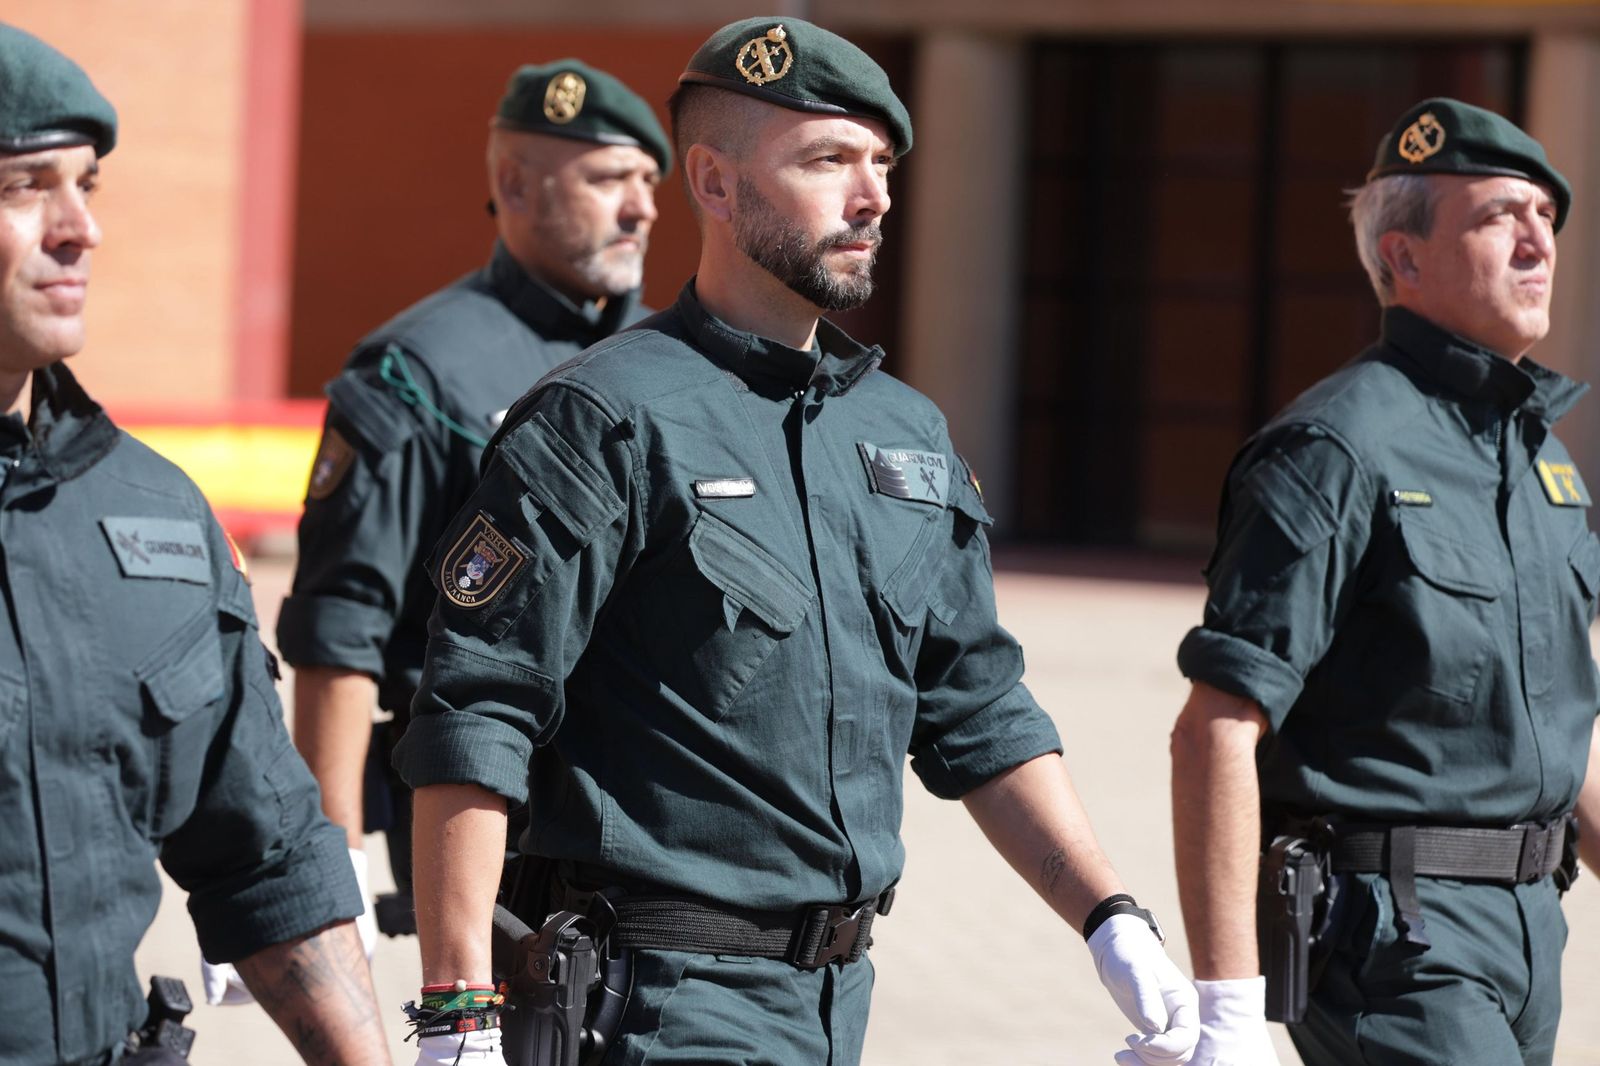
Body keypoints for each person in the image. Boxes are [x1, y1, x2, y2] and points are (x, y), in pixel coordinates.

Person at [395, 16, 1198, 1066]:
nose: (872, 198)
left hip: (834, 1003)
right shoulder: (605, 417)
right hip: (650, 1005)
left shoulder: (904, 434)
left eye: (880, 165)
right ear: (715, 185)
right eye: (827, 161)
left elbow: (978, 709)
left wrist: (1109, 916)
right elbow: (476, 705)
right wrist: (458, 1012)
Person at [1170, 97, 1600, 1066]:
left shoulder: (1536, 459)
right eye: (1498, 217)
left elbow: (1556, 733)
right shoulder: (1334, 448)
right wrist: (1226, 1010)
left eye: (1545, 218)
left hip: (1530, 926)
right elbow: (1214, 730)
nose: (1538, 243)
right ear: (1400, 259)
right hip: (1394, 935)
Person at [0, 21, 389, 1065]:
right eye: (26, 185)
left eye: (88, 184)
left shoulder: (154, 515)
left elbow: (262, 854)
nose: (81, 227)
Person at [259, 59, 669, 996]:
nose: (642, 208)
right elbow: (340, 627)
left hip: (645, 826)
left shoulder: (665, 360)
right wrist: (335, 860)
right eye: (610, 179)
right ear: (514, 183)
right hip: (491, 826)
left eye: (650, 183)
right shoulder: (421, 370)